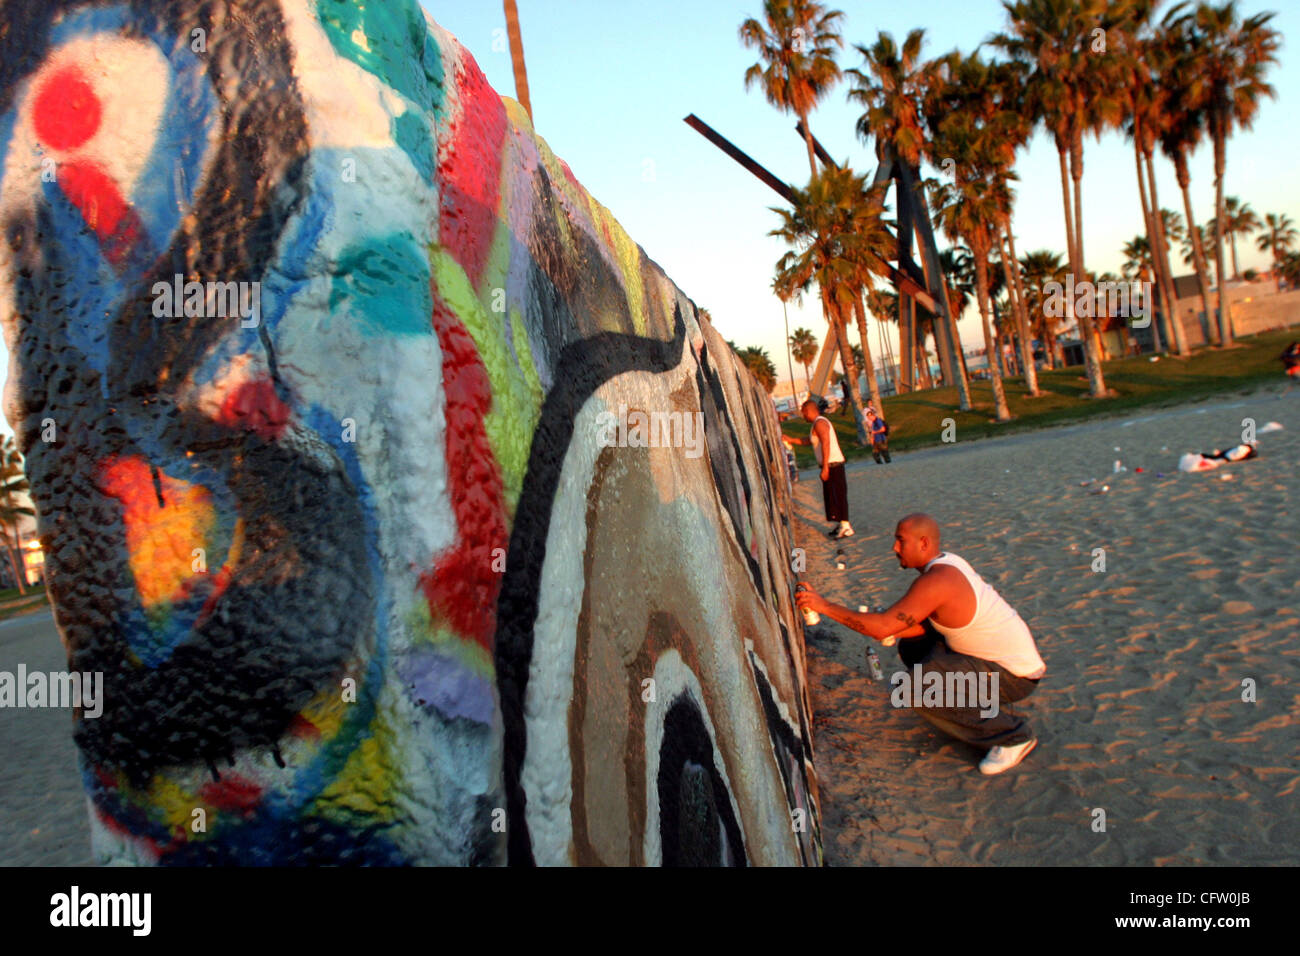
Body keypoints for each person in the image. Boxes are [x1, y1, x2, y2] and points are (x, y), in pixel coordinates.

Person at [795, 513, 1046, 775]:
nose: (895, 548)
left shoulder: (937, 581)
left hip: (1015, 676)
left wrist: (824, 606)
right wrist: (895, 627)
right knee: (912, 646)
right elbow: (922, 623)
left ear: (923, 543)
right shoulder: (948, 564)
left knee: (910, 690)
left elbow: (882, 627)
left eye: (900, 541)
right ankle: (971, 704)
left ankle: (1013, 737)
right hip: (1006, 664)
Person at [785, 399, 854, 539]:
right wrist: (791, 440)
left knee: (838, 495)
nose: (803, 416)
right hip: (830, 465)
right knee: (832, 496)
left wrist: (826, 467)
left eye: (804, 413)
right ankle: (841, 523)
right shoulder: (816, 425)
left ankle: (846, 527)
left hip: (833, 464)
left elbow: (826, 443)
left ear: (809, 411)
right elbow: (809, 440)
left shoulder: (820, 423)